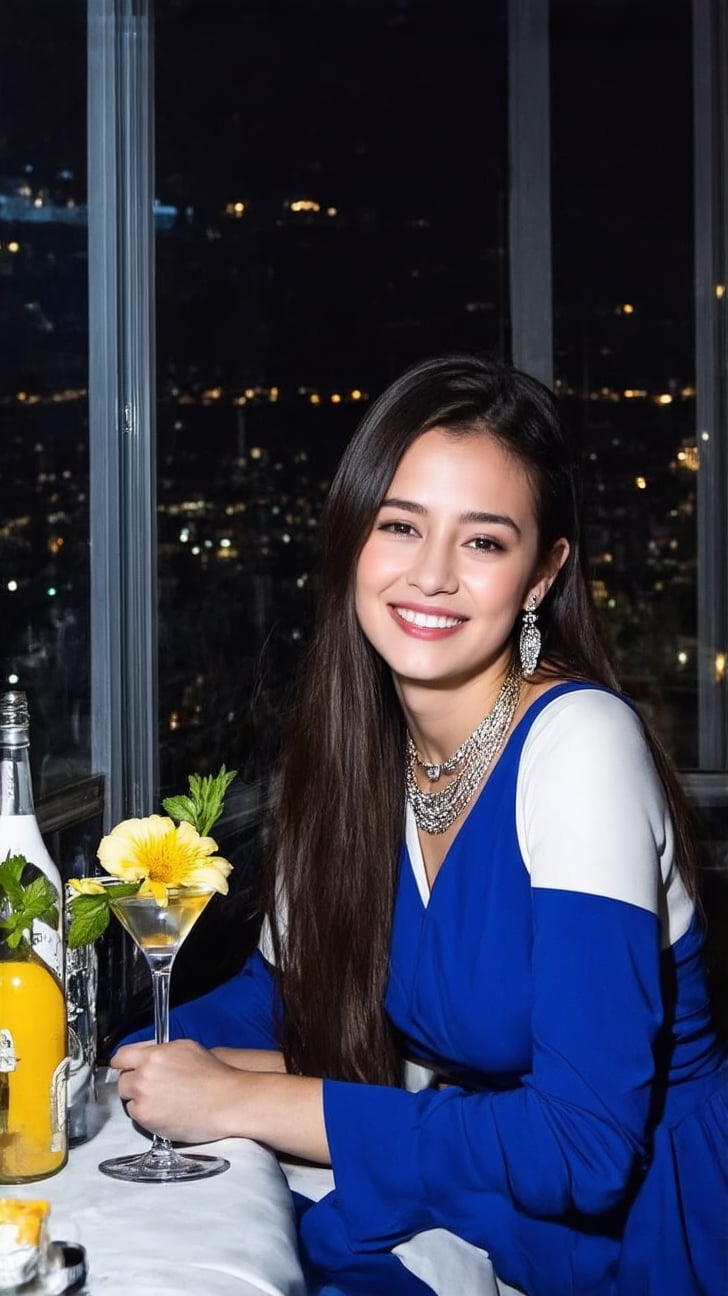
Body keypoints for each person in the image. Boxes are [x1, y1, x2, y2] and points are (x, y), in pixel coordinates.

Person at [113, 354, 727, 1296]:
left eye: (483, 542)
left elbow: (586, 1147)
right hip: (489, 1199)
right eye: (399, 525)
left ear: (541, 573)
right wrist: (102, 1055)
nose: (431, 576)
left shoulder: (581, 746)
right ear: (352, 537)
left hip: (643, 1242)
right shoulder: (365, 754)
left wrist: (243, 1097)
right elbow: (271, 1003)